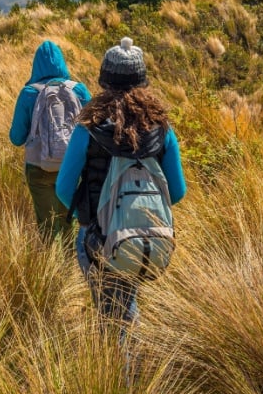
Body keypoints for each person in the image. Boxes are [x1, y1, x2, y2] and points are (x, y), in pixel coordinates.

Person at [55, 36, 186, 329]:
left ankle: (121, 372)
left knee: (112, 315)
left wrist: (89, 217)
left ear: (104, 80)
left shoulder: (89, 130)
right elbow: (177, 191)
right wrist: (138, 211)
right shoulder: (161, 130)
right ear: (142, 81)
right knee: (125, 303)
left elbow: (63, 189)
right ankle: (128, 367)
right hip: (147, 237)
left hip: (98, 238)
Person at [9, 40, 91, 249]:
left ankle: (46, 269)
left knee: (45, 224)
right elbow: (93, 131)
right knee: (68, 223)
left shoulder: (29, 93)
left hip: (38, 168)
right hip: (71, 168)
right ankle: (69, 270)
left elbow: (16, 138)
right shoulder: (79, 91)